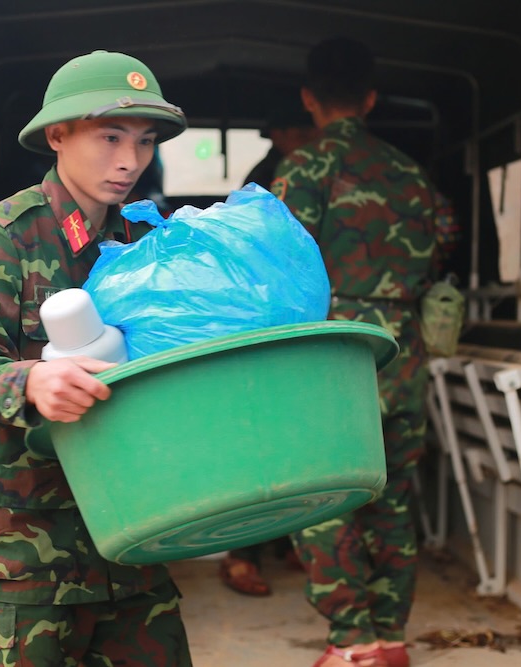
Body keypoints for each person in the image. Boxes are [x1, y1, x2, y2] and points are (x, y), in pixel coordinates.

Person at [0, 50, 193, 667]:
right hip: (22, 564)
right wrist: (31, 383)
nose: (130, 160)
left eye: (145, 140)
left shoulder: (144, 245)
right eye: (110, 137)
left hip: (131, 546)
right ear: (58, 135)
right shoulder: (5, 237)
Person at [270, 37, 437, 667]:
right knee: (392, 498)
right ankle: (391, 639)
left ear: (310, 99)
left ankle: (352, 640)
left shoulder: (306, 170)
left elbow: (279, 269)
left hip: (333, 355)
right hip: (405, 352)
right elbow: (439, 248)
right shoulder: (412, 174)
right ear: (369, 99)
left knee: (320, 494)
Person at [217, 102, 319, 598]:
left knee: (296, 447)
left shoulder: (309, 166)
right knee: (260, 443)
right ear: (278, 131)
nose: (301, 135)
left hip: (303, 325)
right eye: (293, 127)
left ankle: (287, 544)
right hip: (265, 320)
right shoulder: (268, 178)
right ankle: (242, 554)